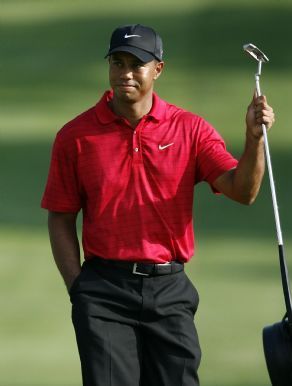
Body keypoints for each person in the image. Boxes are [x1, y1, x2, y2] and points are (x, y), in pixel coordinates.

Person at [41, 24, 275, 386]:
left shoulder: (190, 129)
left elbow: (242, 191)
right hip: (103, 291)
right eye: (117, 63)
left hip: (169, 289)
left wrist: (253, 138)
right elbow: (60, 217)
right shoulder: (75, 136)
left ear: (158, 69)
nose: (125, 74)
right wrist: (79, 289)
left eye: (137, 65)